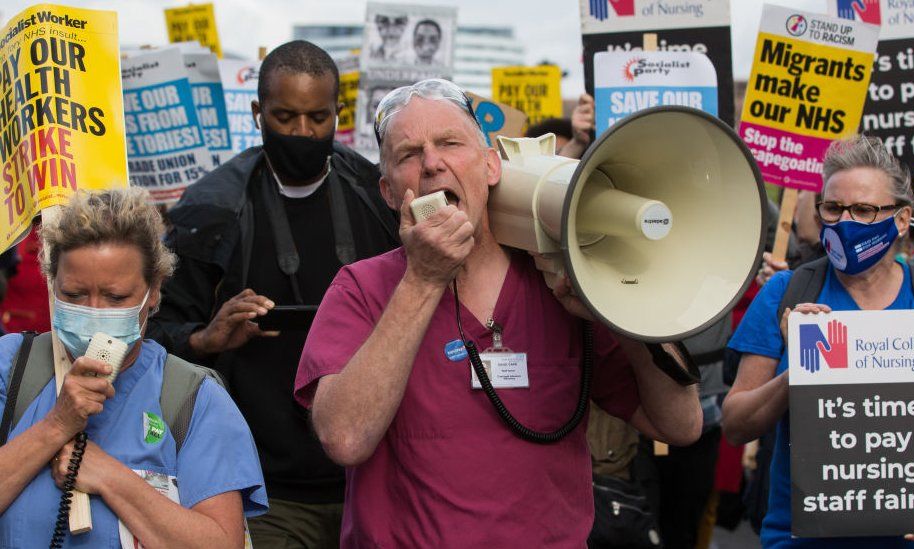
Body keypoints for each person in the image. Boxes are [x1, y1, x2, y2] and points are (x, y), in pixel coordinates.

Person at [293, 78, 702, 546]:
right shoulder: (361, 289)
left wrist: (616, 300)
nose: (432, 164)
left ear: (490, 166)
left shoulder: (557, 281)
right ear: (389, 192)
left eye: (450, 143)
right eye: (409, 154)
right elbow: (344, 439)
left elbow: (681, 424)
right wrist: (423, 280)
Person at [148, 40, 397, 548]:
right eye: (284, 117)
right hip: (266, 490)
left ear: (338, 113)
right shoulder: (212, 211)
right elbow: (151, 336)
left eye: (317, 117)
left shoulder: (379, 196)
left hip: (378, 478)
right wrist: (206, 338)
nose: (302, 133)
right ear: (258, 112)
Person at [722, 135, 914, 548]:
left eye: (863, 210)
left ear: (901, 218)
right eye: (833, 209)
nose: (844, 222)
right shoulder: (787, 292)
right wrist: (801, 372)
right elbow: (735, 425)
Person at [0, 188, 266, 547]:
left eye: (115, 297)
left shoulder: (192, 398)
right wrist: (57, 425)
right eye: (75, 295)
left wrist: (110, 478)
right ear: (52, 283)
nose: (95, 311)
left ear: (153, 290)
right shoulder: (12, 366)